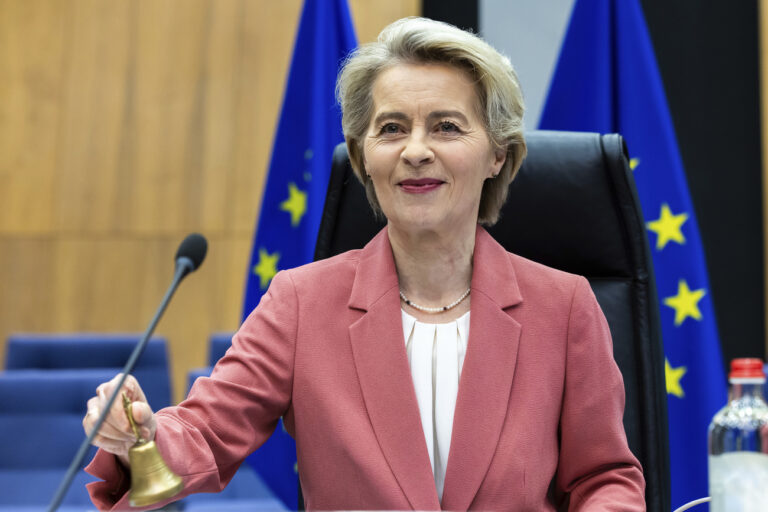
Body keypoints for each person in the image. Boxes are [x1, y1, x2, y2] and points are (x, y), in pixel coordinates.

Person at [83, 17, 645, 511]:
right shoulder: (301, 302)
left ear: (498, 153)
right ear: (362, 158)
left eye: (447, 127)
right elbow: (203, 433)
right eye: (392, 128)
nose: (416, 150)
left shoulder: (565, 305)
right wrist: (142, 436)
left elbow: (603, 478)